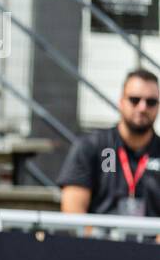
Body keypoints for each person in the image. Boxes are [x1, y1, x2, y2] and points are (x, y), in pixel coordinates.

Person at [58, 69, 160, 216]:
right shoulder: (93, 146)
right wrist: (94, 238)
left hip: (152, 238)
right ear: (121, 102)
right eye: (134, 100)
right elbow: (73, 212)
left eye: (151, 102)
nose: (142, 108)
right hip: (100, 237)